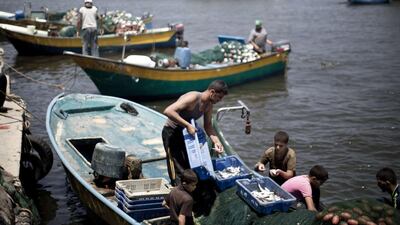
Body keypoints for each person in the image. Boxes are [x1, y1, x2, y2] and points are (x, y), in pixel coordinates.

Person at [162, 80, 228, 186]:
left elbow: (208, 126)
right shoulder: (193, 97)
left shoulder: (209, 105)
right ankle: (177, 191)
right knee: (177, 166)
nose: (219, 101)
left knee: (190, 165)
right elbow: (168, 111)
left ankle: (189, 188)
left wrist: (217, 142)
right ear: (212, 92)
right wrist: (187, 125)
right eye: (219, 97)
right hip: (172, 132)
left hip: (187, 135)